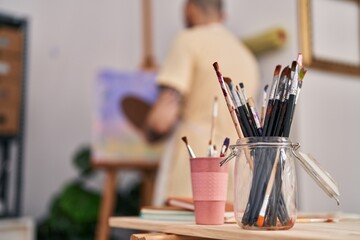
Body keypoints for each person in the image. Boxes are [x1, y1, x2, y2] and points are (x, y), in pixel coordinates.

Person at [144, 0, 260, 205]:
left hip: (194, 169)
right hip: (236, 172)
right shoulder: (247, 55)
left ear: (190, 10)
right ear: (222, 17)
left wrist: (148, 132)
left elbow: (161, 120)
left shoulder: (187, 40)